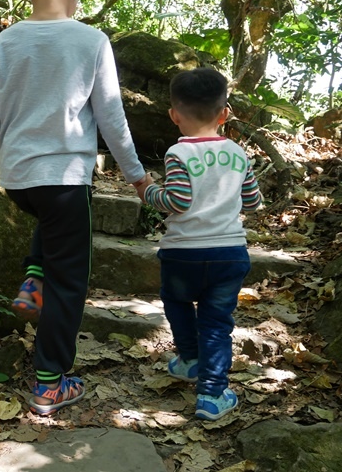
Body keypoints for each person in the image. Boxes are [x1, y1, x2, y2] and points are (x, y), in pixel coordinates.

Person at [0, 0, 152, 416]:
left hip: (20, 179)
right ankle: (51, 381)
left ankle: (34, 277)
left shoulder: (7, 40)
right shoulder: (92, 42)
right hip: (65, 178)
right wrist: (137, 177)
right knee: (70, 282)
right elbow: (112, 119)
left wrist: (11, 152)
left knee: (48, 226)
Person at [135, 67, 262, 421]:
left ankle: (190, 359)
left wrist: (148, 190)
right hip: (228, 254)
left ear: (174, 115)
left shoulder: (179, 154)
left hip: (183, 254)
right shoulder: (238, 154)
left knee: (177, 303)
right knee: (217, 323)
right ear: (224, 114)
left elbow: (176, 201)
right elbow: (252, 202)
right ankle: (212, 393)